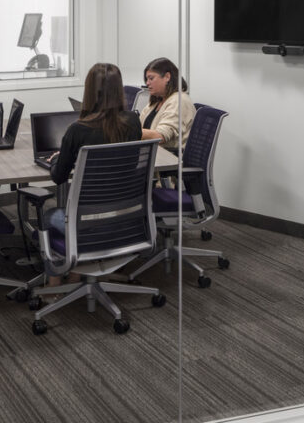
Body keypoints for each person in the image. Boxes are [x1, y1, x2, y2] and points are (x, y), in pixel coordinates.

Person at [41, 62, 144, 290]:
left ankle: (54, 286)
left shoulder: (78, 130)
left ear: (89, 90)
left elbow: (58, 178)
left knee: (48, 216)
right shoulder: (133, 122)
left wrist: (56, 159)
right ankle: (76, 276)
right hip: (125, 218)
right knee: (80, 216)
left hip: (87, 222)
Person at [139, 57, 195, 153]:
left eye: (151, 78)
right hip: (151, 153)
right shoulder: (157, 101)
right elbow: (138, 126)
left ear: (167, 77)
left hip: (168, 157)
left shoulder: (179, 100)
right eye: (147, 79)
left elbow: (160, 136)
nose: (147, 83)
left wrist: (128, 131)